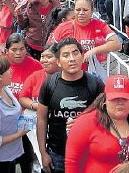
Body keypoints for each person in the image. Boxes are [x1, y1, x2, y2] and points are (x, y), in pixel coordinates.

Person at [64, 75, 129, 171]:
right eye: (114, 99)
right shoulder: (86, 122)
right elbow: (72, 162)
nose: (119, 102)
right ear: (104, 101)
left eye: (124, 98)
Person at [37, 38, 104, 173]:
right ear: (58, 62)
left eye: (75, 53)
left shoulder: (95, 84)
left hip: (88, 152)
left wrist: (85, 124)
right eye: (66, 55)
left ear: (82, 56)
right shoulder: (49, 84)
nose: (72, 59)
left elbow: (107, 117)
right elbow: (42, 119)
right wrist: (43, 153)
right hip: (57, 154)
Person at [49, 0, 120, 80]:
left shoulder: (100, 26)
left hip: (93, 74)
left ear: (92, 11)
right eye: (78, 10)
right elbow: (51, 50)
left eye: (85, 10)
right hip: (68, 74)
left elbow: (117, 44)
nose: (81, 13)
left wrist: (93, 51)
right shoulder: (63, 27)